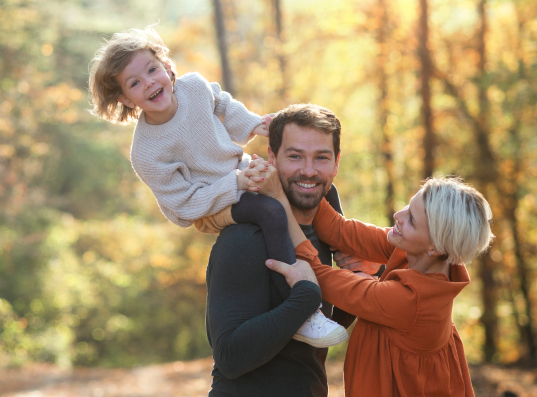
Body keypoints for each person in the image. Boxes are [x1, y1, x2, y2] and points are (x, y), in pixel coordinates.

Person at [87, 26, 347, 347]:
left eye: (152, 70)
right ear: (126, 99)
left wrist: (254, 124)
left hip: (239, 172)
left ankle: (349, 258)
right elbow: (184, 204)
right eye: (135, 83)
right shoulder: (147, 152)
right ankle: (302, 312)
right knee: (269, 210)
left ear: (167, 68)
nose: (150, 82)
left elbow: (222, 104)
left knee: (307, 184)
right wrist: (236, 182)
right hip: (209, 202)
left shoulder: (194, 87)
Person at [267, 176, 494, 397]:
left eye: (412, 219)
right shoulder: (421, 252)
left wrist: (279, 199)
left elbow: (317, 274)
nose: (398, 215)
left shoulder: (410, 302)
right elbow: (338, 229)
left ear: (434, 248)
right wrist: (311, 176)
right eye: (408, 205)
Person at [205, 104, 371, 396]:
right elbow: (230, 357)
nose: (308, 170)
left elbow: (323, 331)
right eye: (295, 156)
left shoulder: (324, 235)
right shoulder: (246, 237)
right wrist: (305, 296)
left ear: (336, 162)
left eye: (321, 157)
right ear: (272, 157)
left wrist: (365, 277)